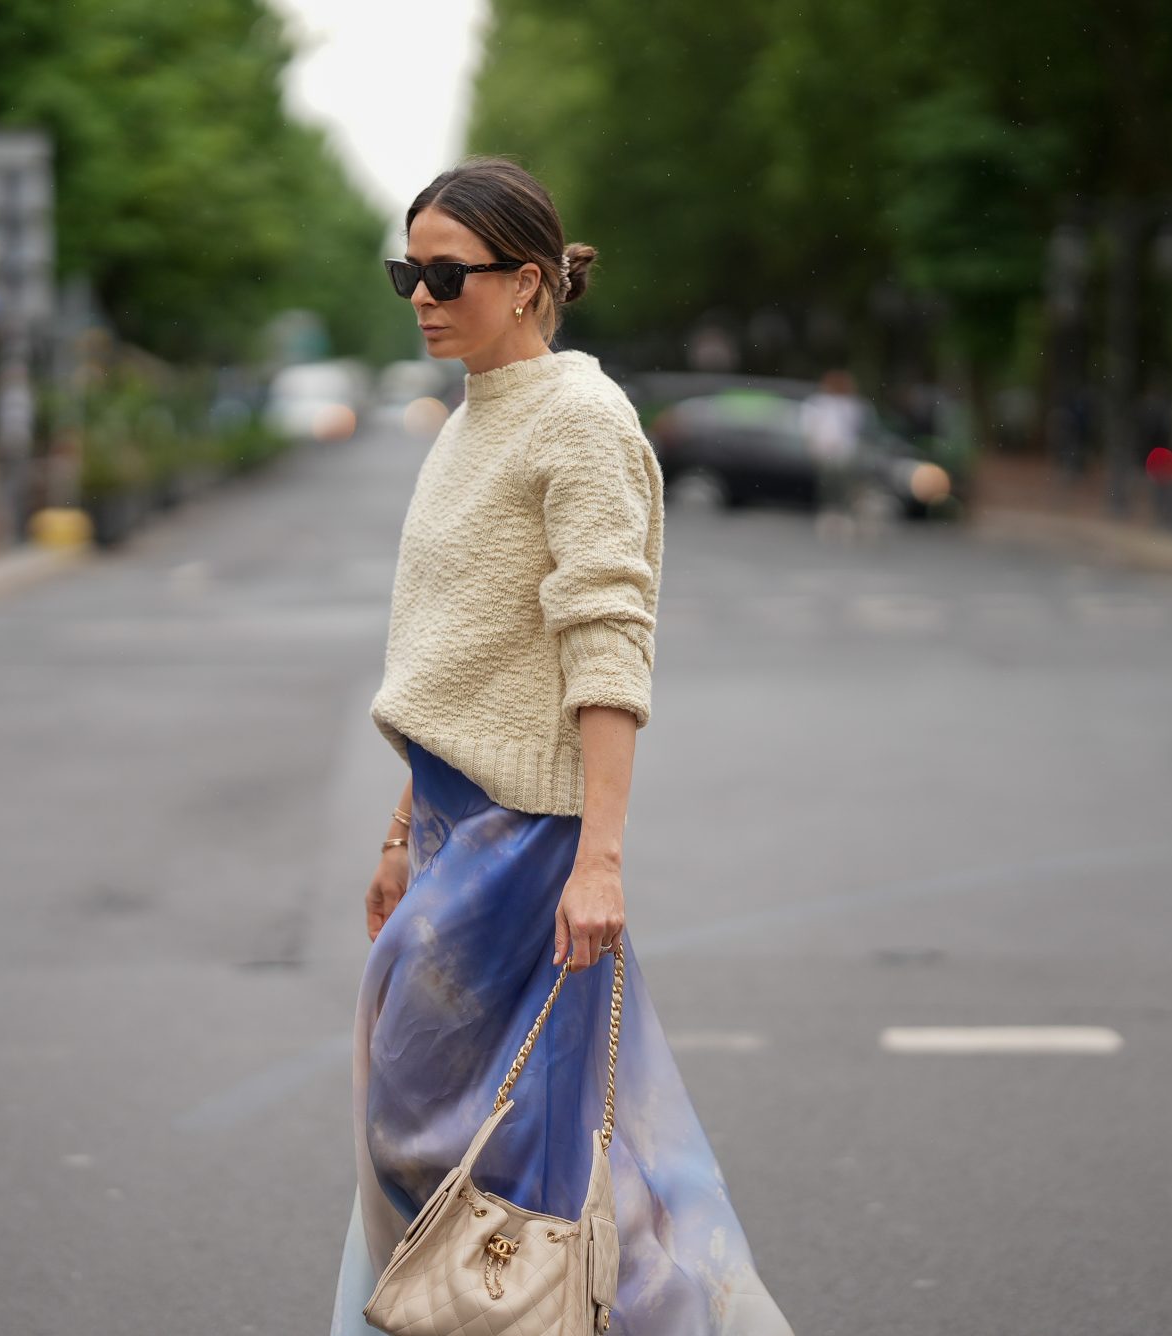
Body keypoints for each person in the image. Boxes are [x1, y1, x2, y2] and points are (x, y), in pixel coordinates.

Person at [330, 156, 796, 1336]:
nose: (422, 295)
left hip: (526, 847)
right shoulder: (470, 417)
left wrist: (600, 857)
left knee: (487, 1148)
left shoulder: (582, 421)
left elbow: (605, 646)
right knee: (461, 1137)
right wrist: (399, 831)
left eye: (446, 273)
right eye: (407, 271)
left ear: (528, 280)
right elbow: (463, 660)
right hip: (449, 830)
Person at [799, 367, 869, 534]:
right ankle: (830, 515)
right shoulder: (818, 403)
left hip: (844, 453)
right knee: (829, 486)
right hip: (825, 452)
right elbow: (809, 428)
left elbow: (856, 429)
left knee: (841, 486)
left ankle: (840, 515)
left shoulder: (852, 405)